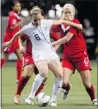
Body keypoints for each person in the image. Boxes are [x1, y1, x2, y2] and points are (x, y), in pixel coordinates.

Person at [2, 6, 82, 106]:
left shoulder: (46, 22)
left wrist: (77, 25)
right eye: (35, 20)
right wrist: (10, 42)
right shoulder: (28, 28)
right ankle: (30, 97)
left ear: (41, 17)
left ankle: (53, 100)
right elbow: (17, 34)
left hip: (49, 52)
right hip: (37, 53)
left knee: (60, 76)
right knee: (43, 72)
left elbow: (62, 22)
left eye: (39, 19)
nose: (38, 22)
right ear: (31, 18)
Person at [52, 3, 98, 105]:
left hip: (81, 57)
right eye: (65, 12)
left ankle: (94, 99)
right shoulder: (60, 25)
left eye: (69, 13)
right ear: (62, 13)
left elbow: (67, 38)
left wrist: (53, 43)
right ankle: (67, 89)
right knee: (64, 83)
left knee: (86, 83)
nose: (67, 14)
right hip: (68, 58)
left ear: (73, 14)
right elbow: (51, 30)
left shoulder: (75, 23)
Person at [1, 1, 24, 82]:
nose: (19, 8)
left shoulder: (16, 15)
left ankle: (18, 79)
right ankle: (18, 78)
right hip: (9, 40)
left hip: (15, 40)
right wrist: (20, 22)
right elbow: (12, 27)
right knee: (4, 58)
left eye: (20, 6)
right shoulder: (12, 15)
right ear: (13, 7)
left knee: (21, 58)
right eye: (17, 6)